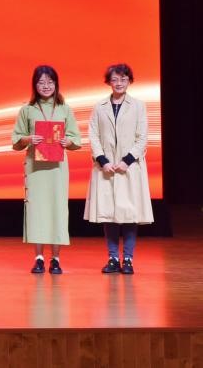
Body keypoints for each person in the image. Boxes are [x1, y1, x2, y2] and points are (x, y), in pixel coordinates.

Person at [10, 65, 81, 274]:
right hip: (35, 168)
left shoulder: (65, 109)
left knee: (57, 210)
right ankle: (39, 258)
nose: (46, 86)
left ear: (56, 84)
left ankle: (56, 258)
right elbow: (16, 140)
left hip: (57, 169)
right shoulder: (27, 109)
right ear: (35, 85)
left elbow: (76, 139)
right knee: (37, 211)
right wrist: (28, 139)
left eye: (50, 82)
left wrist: (68, 141)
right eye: (41, 82)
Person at [85, 63, 153, 275]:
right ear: (109, 82)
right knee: (110, 214)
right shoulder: (99, 106)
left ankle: (128, 259)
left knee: (130, 214)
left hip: (129, 168)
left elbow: (142, 137)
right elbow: (93, 135)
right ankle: (113, 258)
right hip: (106, 168)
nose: (119, 83)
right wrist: (103, 160)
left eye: (123, 79)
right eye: (115, 79)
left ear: (129, 81)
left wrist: (127, 160)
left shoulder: (138, 106)